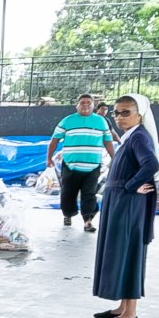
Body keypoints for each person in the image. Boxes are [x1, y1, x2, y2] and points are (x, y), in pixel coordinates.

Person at [92, 94, 159, 318]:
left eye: (126, 112)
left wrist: (131, 186)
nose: (119, 117)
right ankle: (123, 307)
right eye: (116, 113)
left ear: (139, 115)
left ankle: (130, 314)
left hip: (128, 205)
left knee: (129, 253)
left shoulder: (139, 137)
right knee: (122, 252)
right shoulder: (130, 136)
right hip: (121, 203)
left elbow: (151, 164)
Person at [47, 94, 116, 233]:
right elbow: (54, 141)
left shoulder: (101, 122)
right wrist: (49, 158)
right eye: (82, 102)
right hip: (70, 166)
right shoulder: (67, 121)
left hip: (93, 166)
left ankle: (88, 221)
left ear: (93, 106)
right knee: (68, 193)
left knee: (89, 194)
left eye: (89, 102)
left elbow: (108, 141)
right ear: (77, 105)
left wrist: (114, 158)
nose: (85, 105)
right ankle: (68, 214)